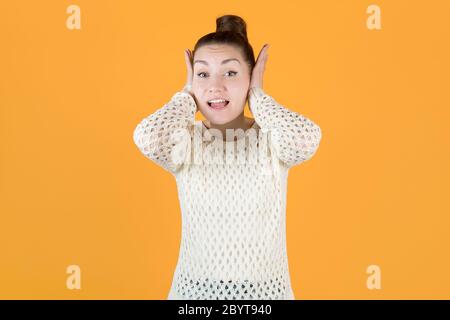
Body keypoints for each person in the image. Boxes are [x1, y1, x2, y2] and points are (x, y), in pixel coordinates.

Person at [133, 14, 322, 300]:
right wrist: (187, 93)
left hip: (266, 297)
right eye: (203, 73)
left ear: (251, 76)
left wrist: (258, 95)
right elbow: (147, 137)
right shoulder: (185, 141)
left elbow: (306, 139)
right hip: (193, 297)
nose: (215, 87)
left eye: (231, 73)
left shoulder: (272, 140)